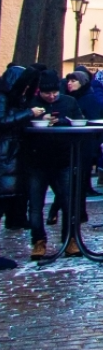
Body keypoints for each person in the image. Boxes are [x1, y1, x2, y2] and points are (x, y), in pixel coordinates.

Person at [25, 71, 81, 259]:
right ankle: (38, 240)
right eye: (47, 93)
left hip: (63, 158)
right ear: (40, 91)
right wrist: (35, 119)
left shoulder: (69, 102)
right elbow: (21, 126)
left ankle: (70, 239)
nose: (51, 96)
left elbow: (78, 120)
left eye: (54, 92)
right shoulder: (31, 104)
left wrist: (63, 121)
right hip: (37, 160)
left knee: (68, 202)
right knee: (35, 205)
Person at [0, 66, 35, 269]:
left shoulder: (13, 98)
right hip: (5, 157)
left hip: (9, 157)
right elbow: (2, 121)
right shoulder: (3, 98)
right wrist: (28, 114)